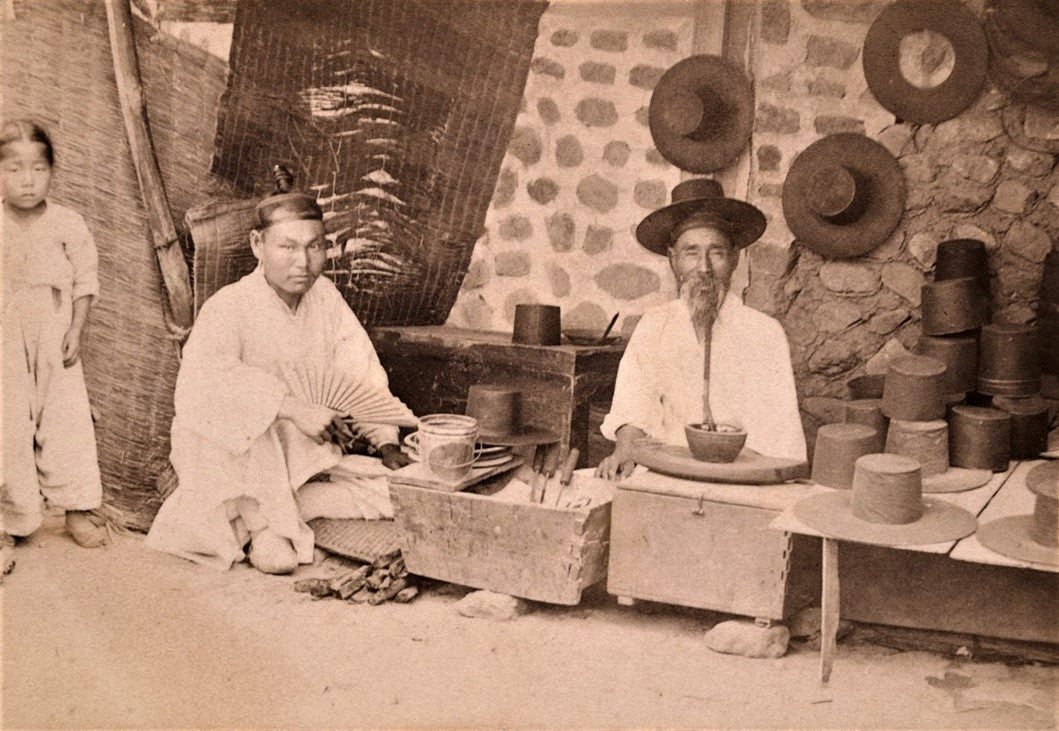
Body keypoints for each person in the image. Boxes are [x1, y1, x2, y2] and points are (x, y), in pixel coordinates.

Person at [145, 168, 412, 574]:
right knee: (253, 432)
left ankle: (275, 518)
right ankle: (265, 523)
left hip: (303, 453)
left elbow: (360, 369)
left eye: (314, 247)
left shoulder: (325, 297)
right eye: (287, 247)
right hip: (236, 453)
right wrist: (289, 408)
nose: (303, 262)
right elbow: (205, 383)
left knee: (395, 492)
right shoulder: (229, 305)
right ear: (258, 244)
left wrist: (386, 443)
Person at [596, 179, 806, 480]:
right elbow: (633, 406)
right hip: (663, 471)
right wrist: (625, 449)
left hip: (740, 477)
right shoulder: (655, 325)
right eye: (691, 253)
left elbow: (779, 439)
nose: (704, 268)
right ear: (673, 259)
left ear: (734, 258)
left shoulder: (764, 334)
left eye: (717, 252)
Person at [1, 119, 107, 549]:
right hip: (4, 330)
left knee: (66, 416)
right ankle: (11, 518)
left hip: (54, 323)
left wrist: (76, 331)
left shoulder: (68, 222)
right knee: (7, 418)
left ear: (52, 172)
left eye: (38, 169)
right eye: (13, 169)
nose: (27, 181)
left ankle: (77, 509)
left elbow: (85, 280)